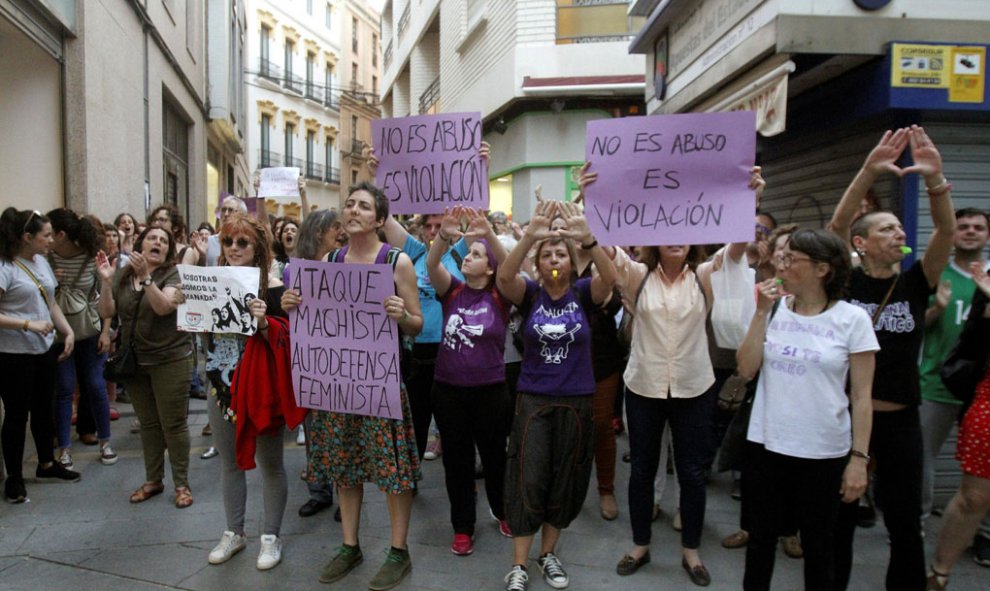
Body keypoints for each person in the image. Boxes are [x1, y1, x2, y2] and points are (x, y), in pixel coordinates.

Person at [610, 168, 765, 587]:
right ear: (654, 239)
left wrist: (747, 197)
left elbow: (736, 247)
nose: (675, 236)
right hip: (643, 386)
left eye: (683, 228)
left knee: (694, 473)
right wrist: (595, 195)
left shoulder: (705, 275)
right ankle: (640, 544)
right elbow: (604, 249)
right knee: (642, 469)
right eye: (667, 229)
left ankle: (691, 550)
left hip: (694, 388)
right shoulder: (637, 276)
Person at [829, 125, 957, 590]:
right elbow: (837, 228)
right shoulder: (848, 281)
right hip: (847, 419)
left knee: (904, 525)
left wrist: (935, 179)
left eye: (899, 227)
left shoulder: (915, 282)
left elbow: (945, 229)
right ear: (862, 244)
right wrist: (867, 171)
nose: (897, 231)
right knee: (838, 520)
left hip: (902, 419)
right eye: (886, 227)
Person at [282, 182, 424, 590]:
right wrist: (293, 304)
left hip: (380, 382)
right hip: (338, 384)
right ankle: (350, 545)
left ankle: (399, 551)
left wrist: (402, 315)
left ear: (380, 219)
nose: (353, 210)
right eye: (349, 204)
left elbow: (418, 322)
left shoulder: (396, 263)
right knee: (345, 468)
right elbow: (314, 319)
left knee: (393, 472)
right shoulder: (331, 260)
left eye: (363, 205)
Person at [736, 228, 878, 591]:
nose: (781, 264)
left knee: (820, 547)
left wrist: (858, 459)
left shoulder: (852, 319)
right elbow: (746, 369)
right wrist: (760, 313)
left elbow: (862, 397)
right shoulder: (773, 309)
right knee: (760, 543)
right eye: (781, 257)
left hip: (823, 451)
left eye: (791, 259)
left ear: (822, 269)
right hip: (767, 445)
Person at [496, 200, 616, 591]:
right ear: (538, 262)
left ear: (571, 260)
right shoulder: (529, 293)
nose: (554, 258)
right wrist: (531, 234)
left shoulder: (583, 292)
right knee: (528, 478)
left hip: (578, 401)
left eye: (560, 253)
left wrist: (588, 238)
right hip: (533, 400)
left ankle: (548, 554)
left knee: (564, 479)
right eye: (547, 254)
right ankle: (519, 564)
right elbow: (504, 276)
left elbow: (610, 278)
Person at [203, 213, 301, 571]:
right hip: (220, 385)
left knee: (270, 464)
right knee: (230, 463)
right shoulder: (212, 282)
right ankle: (235, 531)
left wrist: (263, 323)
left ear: (257, 246)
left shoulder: (275, 289)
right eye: (228, 241)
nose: (233, 248)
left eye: (242, 242)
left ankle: (271, 536)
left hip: (260, 390)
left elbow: (289, 341)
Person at [427, 206, 512, 556]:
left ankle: (503, 511)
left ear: (490, 267)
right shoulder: (453, 291)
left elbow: (510, 267)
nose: (468, 257)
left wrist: (488, 233)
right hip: (448, 391)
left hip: (491, 392)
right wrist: (443, 237)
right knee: (457, 463)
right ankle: (463, 526)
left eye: (476, 255)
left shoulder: (500, 294)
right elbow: (433, 266)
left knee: (495, 458)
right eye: (468, 253)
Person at [96, 226, 195, 509]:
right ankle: (153, 480)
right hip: (136, 362)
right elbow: (107, 312)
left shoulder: (174, 274)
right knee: (149, 424)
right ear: (141, 244)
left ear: (168, 250)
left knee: (173, 424)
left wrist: (147, 278)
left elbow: (164, 306)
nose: (158, 243)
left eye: (164, 241)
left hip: (170, 358)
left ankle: (181, 483)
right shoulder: (124, 274)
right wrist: (106, 282)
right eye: (152, 238)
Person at [919, 208, 990, 561]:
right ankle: (915, 522)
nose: (971, 232)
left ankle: (983, 534)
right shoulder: (936, 273)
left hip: (984, 391)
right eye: (963, 226)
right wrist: (936, 309)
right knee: (922, 457)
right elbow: (915, 324)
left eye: (978, 227)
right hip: (937, 382)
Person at [0, 208, 81, 503]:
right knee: (17, 415)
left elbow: (51, 302)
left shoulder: (42, 263)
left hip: (43, 348)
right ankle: (14, 478)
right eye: (46, 235)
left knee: (43, 408)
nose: (51, 240)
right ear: (27, 237)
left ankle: (47, 463)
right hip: (12, 354)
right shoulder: (5, 266)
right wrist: (27, 323)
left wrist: (67, 331)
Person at [47, 208, 117, 469]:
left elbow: (104, 296)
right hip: (58, 334)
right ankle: (65, 449)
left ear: (61, 235)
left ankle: (105, 441)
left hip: (89, 330)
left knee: (95, 385)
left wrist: (106, 331)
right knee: (64, 388)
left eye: (49, 232)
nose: (46, 237)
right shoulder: (46, 258)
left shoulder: (92, 258)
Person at [290, 209, 343, 519]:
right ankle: (319, 491)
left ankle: (345, 492)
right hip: (311, 362)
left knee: (341, 432)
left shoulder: (350, 264)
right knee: (315, 431)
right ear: (317, 232)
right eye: (334, 227)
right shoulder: (295, 271)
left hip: (344, 362)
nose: (341, 231)